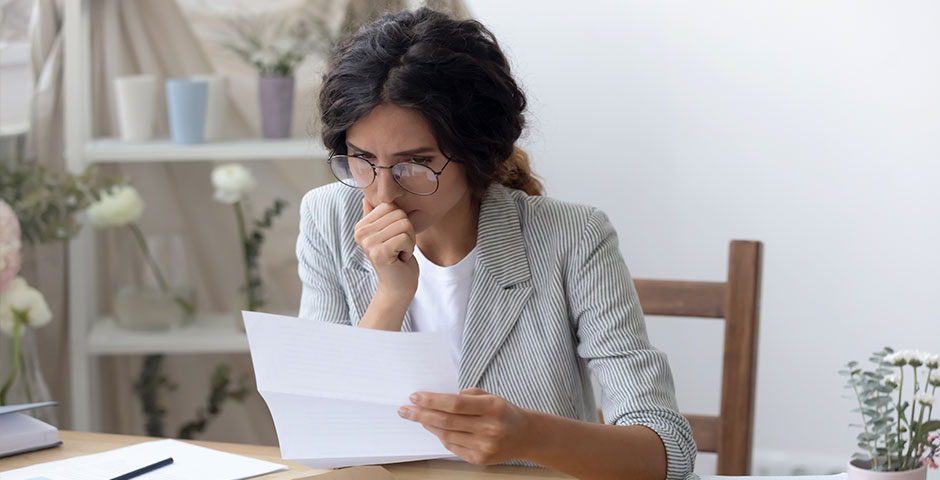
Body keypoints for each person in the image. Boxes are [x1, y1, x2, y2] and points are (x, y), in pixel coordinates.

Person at [297, 7, 696, 480]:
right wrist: (391, 296)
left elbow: (668, 451)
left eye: (416, 162)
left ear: (475, 153)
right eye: (362, 160)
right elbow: (319, 432)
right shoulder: (329, 217)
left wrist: (529, 435)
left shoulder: (574, 237)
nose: (384, 193)